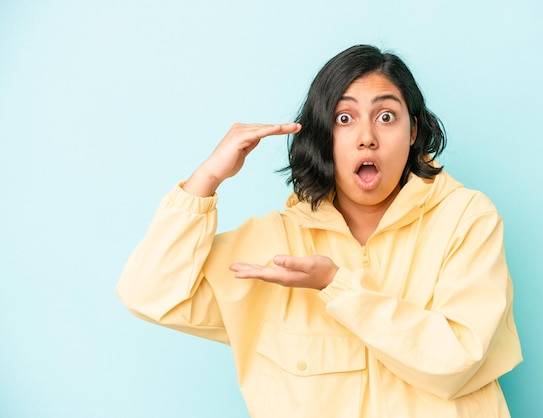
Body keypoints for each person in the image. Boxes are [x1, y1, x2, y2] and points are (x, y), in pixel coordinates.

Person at [116, 44, 522, 418]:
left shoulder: (467, 219)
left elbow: (457, 359)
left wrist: (335, 285)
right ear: (323, 136)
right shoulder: (275, 243)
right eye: (344, 119)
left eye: (386, 117)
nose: (367, 138)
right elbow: (149, 293)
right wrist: (206, 179)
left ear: (413, 131)